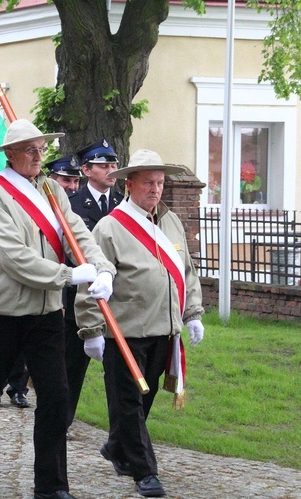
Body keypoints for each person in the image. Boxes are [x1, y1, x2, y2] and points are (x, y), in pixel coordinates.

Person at [0, 119, 116, 499]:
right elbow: (12, 257)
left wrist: (101, 268)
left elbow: (79, 234)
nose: (38, 155)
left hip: (45, 314)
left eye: (41, 148)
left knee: (56, 396)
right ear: (10, 154)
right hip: (2, 311)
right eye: (30, 149)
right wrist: (69, 276)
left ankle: (51, 485)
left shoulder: (53, 191)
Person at [75, 149, 205, 498]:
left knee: (142, 402)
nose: (155, 189)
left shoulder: (171, 222)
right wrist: (91, 330)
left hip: (164, 329)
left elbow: (186, 272)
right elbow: (93, 283)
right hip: (125, 331)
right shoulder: (110, 227)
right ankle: (145, 472)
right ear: (129, 184)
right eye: (148, 182)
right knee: (129, 404)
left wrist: (192, 313)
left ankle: (117, 447)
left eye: (160, 182)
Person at [65, 140, 124, 435]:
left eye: (113, 165)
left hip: (116, 297)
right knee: (71, 366)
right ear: (86, 170)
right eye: (103, 165)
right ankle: (61, 421)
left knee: (117, 373)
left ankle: (120, 435)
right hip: (78, 300)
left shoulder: (123, 206)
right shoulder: (72, 205)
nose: (111, 170)